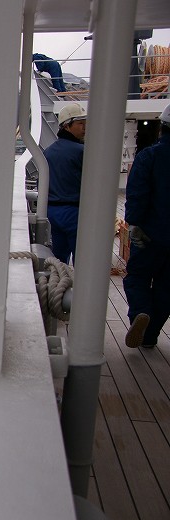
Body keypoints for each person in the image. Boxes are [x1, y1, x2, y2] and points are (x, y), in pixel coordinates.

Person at [123, 104, 170, 349]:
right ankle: (150, 336)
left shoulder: (149, 156)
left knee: (138, 278)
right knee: (166, 288)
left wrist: (134, 223)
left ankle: (140, 313)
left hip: (150, 234)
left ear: (162, 127)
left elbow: (138, 193)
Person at [44, 102, 86, 264]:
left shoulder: (48, 152)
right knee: (83, 259)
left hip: (53, 211)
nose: (84, 127)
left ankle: (59, 287)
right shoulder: (82, 152)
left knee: (59, 259)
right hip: (75, 211)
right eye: (80, 123)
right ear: (67, 126)